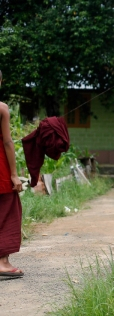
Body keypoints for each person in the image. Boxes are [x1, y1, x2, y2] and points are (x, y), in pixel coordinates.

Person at [0, 70, 25, 278]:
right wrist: (14, 174)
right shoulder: (2, 108)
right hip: (0, 168)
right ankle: (2, 262)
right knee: (8, 209)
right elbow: (8, 142)